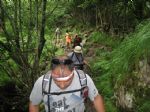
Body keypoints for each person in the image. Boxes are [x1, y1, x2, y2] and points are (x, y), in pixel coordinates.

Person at [29, 55, 105, 112]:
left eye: (67, 80)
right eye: (57, 80)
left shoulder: (83, 79)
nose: (62, 85)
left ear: (73, 71)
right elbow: (34, 104)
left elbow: (96, 98)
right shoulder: (42, 83)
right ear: (51, 72)